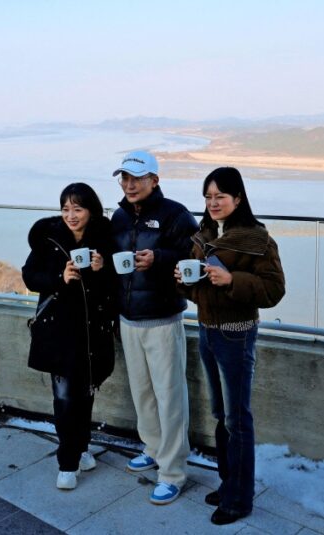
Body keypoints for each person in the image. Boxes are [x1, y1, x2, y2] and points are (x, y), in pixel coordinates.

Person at [175, 167, 285, 525]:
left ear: (238, 198)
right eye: (208, 197)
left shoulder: (258, 240)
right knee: (221, 415)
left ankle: (240, 499)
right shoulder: (204, 234)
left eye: (220, 196)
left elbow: (273, 291)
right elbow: (196, 289)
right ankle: (228, 484)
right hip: (207, 330)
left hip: (236, 333)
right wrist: (183, 281)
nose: (213, 203)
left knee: (238, 418)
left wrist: (231, 279)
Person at [111, 150, 198, 505]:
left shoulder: (175, 215)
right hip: (129, 318)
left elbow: (197, 259)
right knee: (143, 392)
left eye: (137, 178)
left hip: (163, 319)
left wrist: (160, 259)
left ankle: (173, 471)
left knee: (170, 397)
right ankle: (153, 447)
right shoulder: (117, 216)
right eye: (124, 178)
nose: (129, 185)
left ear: (155, 180)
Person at [22, 183, 117, 490]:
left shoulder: (105, 239)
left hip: (92, 331)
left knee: (86, 391)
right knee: (64, 398)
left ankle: (82, 447)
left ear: (91, 210)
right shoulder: (49, 239)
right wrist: (59, 279)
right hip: (59, 331)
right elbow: (29, 276)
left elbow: (115, 286)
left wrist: (103, 269)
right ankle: (67, 462)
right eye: (65, 209)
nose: (71, 216)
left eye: (77, 209)